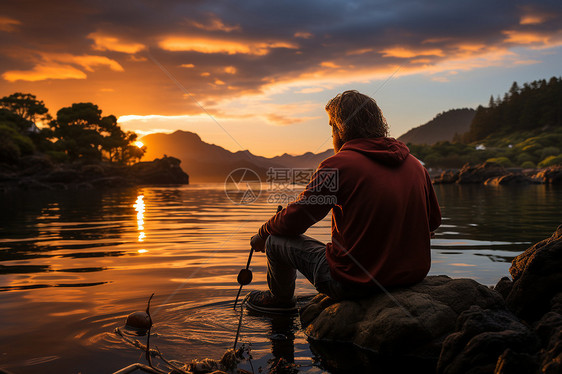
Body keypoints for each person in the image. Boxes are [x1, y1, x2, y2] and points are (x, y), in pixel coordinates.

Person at [245, 90, 441, 314]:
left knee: (275, 240)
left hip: (352, 282)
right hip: (410, 278)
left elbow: (296, 220)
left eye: (331, 125)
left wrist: (262, 233)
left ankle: (279, 302)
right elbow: (432, 223)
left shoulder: (337, 166)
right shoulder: (416, 165)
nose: (331, 134)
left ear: (340, 127)